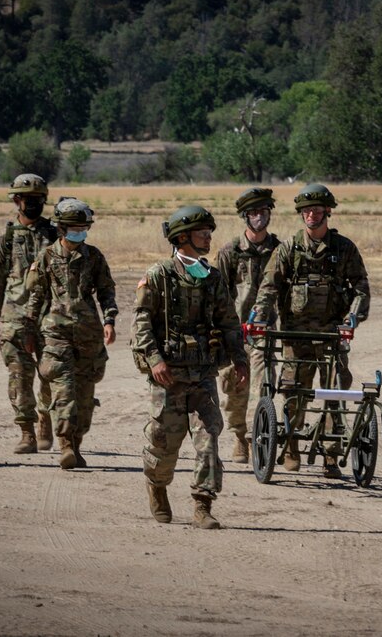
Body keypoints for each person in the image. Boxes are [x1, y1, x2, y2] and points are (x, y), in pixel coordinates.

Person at [131, 205, 248, 529]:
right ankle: (156, 486)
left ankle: (202, 505)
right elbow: (141, 324)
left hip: (203, 377)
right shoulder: (158, 276)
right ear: (182, 238)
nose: (209, 238)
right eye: (202, 233)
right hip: (168, 378)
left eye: (210, 233)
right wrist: (155, 360)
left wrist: (239, 359)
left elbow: (228, 322)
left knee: (209, 439)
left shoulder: (212, 278)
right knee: (163, 444)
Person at [251, 183, 370, 478]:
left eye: (316, 210)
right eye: (306, 211)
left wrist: (353, 318)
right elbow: (269, 288)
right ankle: (291, 446)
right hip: (295, 336)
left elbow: (361, 289)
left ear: (327, 212)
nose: (311, 216)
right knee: (294, 392)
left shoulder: (344, 249)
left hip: (332, 335)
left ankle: (331, 453)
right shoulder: (288, 249)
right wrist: (260, 317)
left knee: (334, 392)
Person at [23, 197, 117, 470]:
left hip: (89, 335)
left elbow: (106, 292)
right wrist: (29, 330)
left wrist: (109, 321)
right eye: (74, 226)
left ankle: (76, 444)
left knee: (85, 397)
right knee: (63, 391)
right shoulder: (46, 257)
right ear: (62, 228)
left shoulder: (94, 256)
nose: (80, 231)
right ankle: (65, 444)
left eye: (83, 226)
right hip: (55, 334)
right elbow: (36, 296)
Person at [0, 174, 59, 455]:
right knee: (19, 376)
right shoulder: (5, 238)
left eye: (40, 200)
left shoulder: (55, 235)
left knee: (50, 375)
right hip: (13, 320)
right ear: (17, 200)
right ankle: (26, 431)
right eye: (30, 200)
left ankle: (45, 420)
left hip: (49, 317)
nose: (36, 205)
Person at [214, 187, 280, 463]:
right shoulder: (230, 251)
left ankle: (257, 436)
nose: (259, 217)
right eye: (254, 213)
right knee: (233, 387)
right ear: (245, 216)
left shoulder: (280, 250)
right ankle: (239, 436)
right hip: (236, 331)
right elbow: (219, 293)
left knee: (263, 383)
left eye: (264, 211)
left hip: (266, 329)